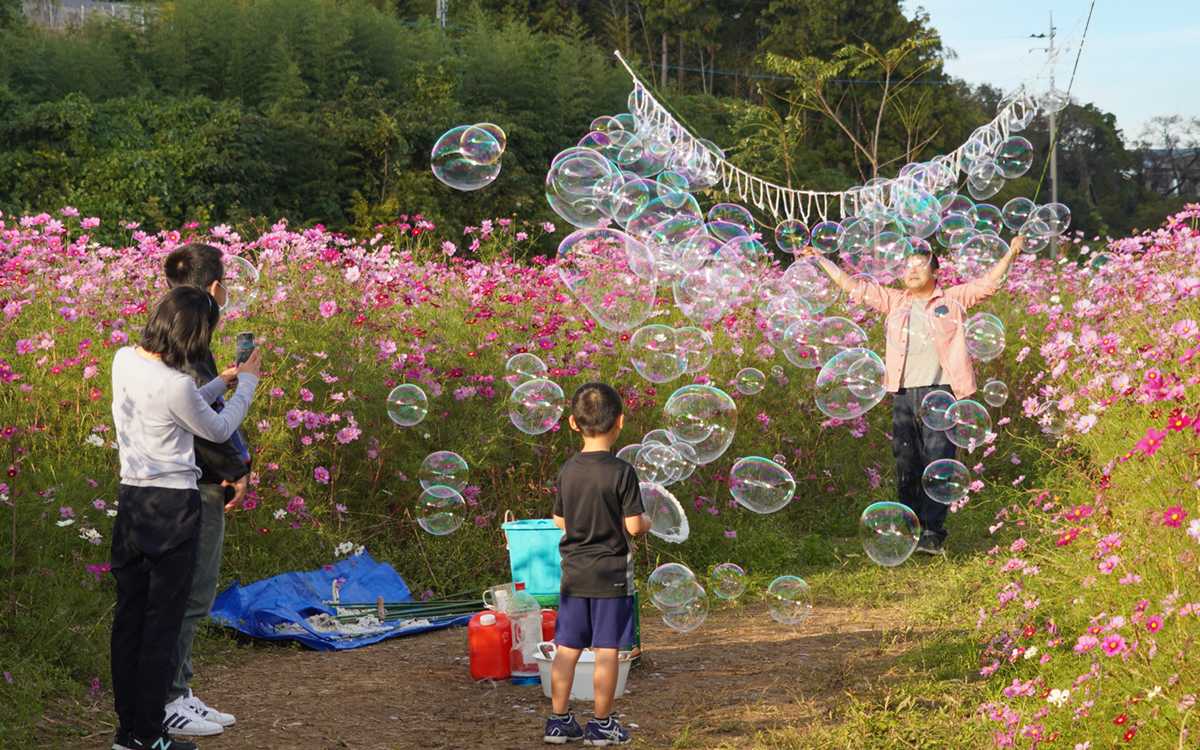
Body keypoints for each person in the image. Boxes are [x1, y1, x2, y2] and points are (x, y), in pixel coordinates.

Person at [109, 286, 262, 750]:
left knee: (130, 622)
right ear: (190, 335)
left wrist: (225, 378)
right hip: (173, 512)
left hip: (133, 505)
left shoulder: (124, 360)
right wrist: (249, 383)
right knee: (162, 628)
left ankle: (127, 735)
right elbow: (215, 426)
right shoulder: (177, 385)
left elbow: (184, 403)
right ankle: (150, 737)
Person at [804, 236, 1023, 555]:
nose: (912, 269)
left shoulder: (954, 298)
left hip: (943, 393)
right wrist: (821, 259)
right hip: (904, 395)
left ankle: (933, 533)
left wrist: (1011, 252)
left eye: (920, 265)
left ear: (935, 271)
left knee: (939, 462)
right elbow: (853, 286)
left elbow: (989, 283)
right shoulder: (894, 301)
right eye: (907, 266)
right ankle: (912, 529)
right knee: (907, 463)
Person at [159, 243, 250, 736]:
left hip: (182, 485)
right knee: (192, 593)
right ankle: (172, 694)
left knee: (189, 592)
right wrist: (236, 469)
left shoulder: (173, 337)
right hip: (194, 486)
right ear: (214, 288)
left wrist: (227, 379)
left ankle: (182, 690)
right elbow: (209, 428)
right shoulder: (190, 345)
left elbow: (199, 405)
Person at [544, 382, 651, 746]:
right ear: (620, 422)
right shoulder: (622, 472)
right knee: (607, 652)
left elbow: (560, 520)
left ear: (574, 424)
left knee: (567, 649)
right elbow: (635, 527)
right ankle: (602, 725)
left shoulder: (567, 470)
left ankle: (558, 722)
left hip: (573, 577)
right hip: (612, 579)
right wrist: (647, 522)